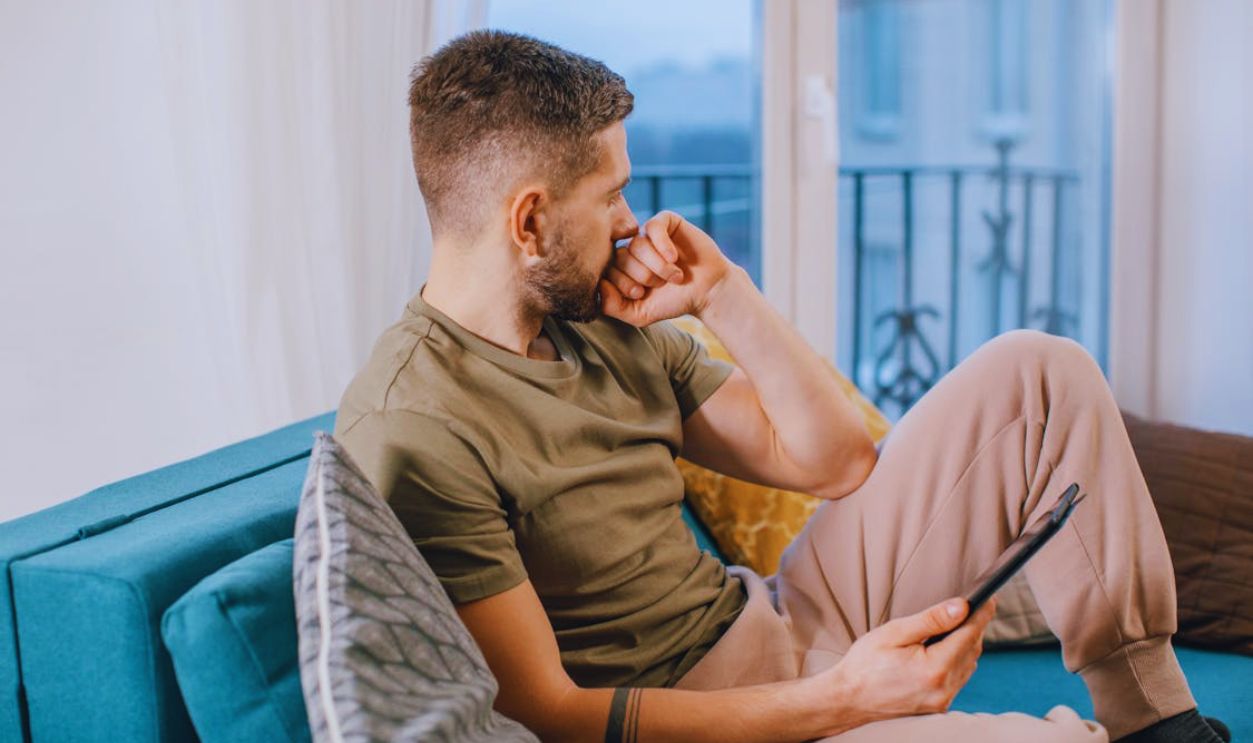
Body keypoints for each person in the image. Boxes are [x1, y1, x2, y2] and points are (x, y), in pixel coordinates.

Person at [333, 29, 1228, 743]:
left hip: (783, 617)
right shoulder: (416, 426)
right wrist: (841, 700)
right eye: (608, 196)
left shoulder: (604, 323)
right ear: (529, 220)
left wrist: (725, 292)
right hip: (728, 720)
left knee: (1043, 370)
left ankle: (1155, 718)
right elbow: (551, 714)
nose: (629, 221)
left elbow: (836, 463)